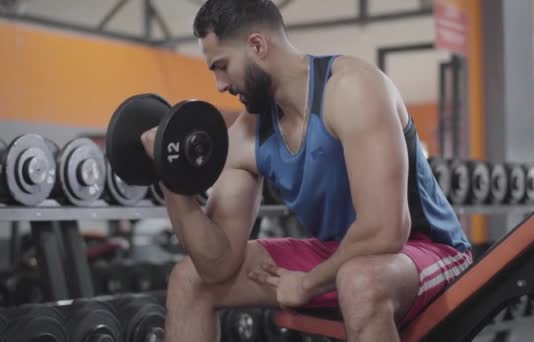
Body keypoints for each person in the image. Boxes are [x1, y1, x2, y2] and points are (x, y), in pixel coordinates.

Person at [140, 0, 472, 341]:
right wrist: (171, 174)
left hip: (425, 251)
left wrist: (307, 283)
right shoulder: (247, 135)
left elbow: (386, 231)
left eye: (222, 66)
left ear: (257, 45)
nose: (220, 85)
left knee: (359, 281)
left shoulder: (349, 89)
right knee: (189, 279)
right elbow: (216, 265)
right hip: (341, 254)